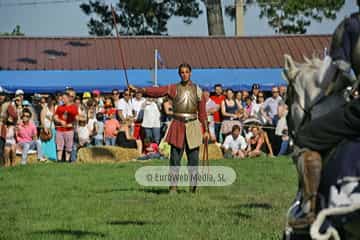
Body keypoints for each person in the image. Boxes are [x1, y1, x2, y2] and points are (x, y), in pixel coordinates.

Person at [293, 2, 360, 227]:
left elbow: (324, 79)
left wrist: (346, 80)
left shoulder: (352, 26)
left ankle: (309, 209)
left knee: (305, 137)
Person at [129, 63, 208, 194]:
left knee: (193, 159)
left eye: (186, 72)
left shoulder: (198, 90)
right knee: (175, 159)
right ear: (179, 74)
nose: (184, 74)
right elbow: (158, 91)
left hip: (193, 125)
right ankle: (173, 187)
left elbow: (203, 113)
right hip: (178, 125)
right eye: (182, 72)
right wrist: (141, 90)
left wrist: (206, 131)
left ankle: (193, 186)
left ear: (191, 73)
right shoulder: (173, 88)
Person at [54, 91, 78, 162]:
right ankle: (59, 160)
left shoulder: (74, 107)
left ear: (68, 98)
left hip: (69, 130)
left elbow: (76, 118)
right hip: (59, 130)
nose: (63, 100)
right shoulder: (59, 107)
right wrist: (60, 121)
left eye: (64, 98)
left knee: (68, 147)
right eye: (62, 98)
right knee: (59, 147)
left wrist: (72, 123)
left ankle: (67, 161)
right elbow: (55, 117)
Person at [0, 88, 18, 165]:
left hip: (1, 129)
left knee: (1, 149)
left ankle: (2, 165)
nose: (0, 96)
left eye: (2, 95)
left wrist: (10, 123)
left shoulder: (7, 105)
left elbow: (15, 116)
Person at [40, 95, 57, 161]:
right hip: (46, 127)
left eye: (51, 100)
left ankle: (51, 157)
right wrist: (44, 128)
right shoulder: (45, 108)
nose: (50, 102)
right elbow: (42, 119)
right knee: (45, 142)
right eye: (49, 100)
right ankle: (44, 157)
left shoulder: (55, 108)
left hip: (52, 127)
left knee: (52, 143)